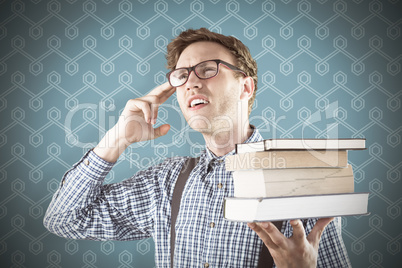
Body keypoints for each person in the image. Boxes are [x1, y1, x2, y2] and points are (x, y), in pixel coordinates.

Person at [44, 28, 351, 267]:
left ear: (246, 86)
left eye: (207, 69)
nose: (191, 82)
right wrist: (117, 138)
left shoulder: (299, 182)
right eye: (182, 75)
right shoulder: (165, 182)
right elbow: (65, 218)